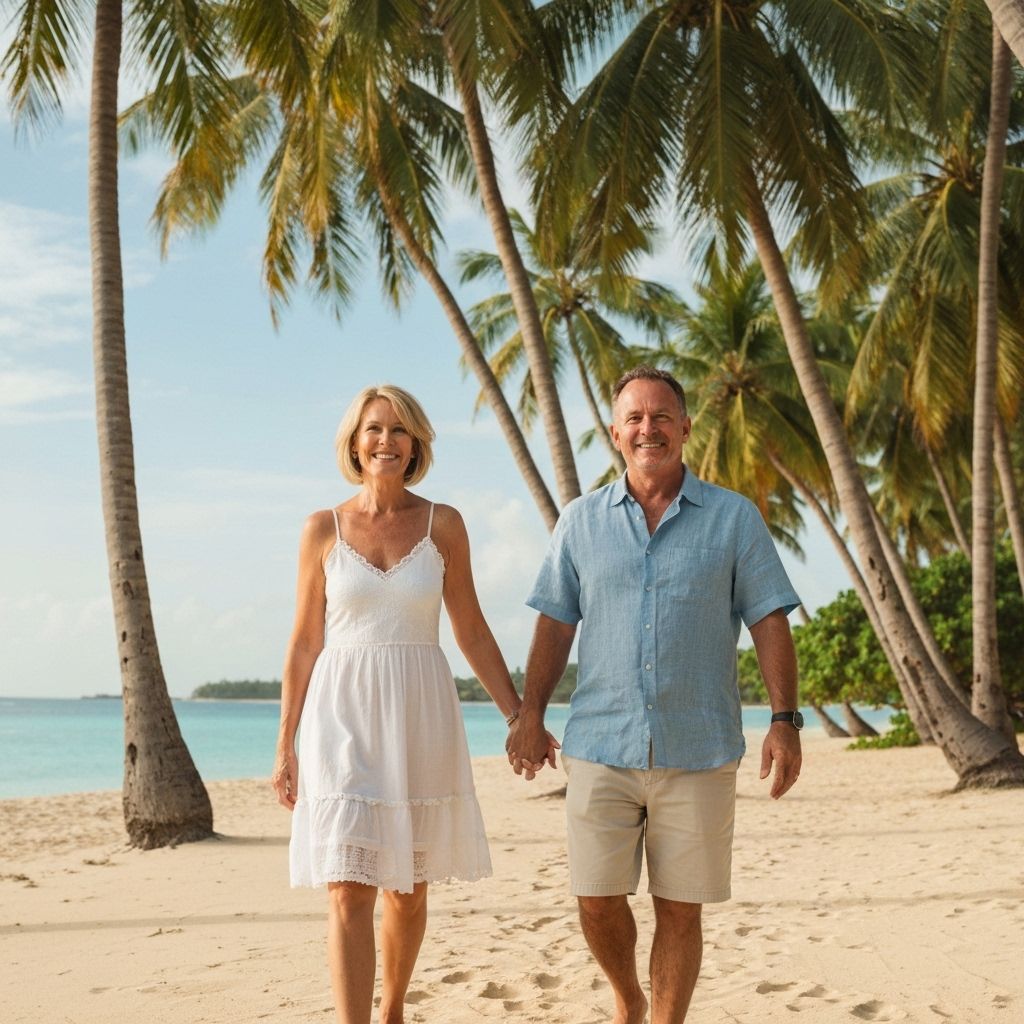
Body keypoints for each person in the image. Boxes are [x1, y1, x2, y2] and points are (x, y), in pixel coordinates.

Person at [507, 366, 802, 1024]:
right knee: (595, 898)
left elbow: (769, 621)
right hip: (601, 745)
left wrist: (784, 720)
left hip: (698, 748)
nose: (649, 428)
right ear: (616, 434)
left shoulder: (733, 519)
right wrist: (530, 714)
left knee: (679, 907)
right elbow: (555, 623)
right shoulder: (581, 523)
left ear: (686, 429)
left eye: (662, 416)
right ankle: (627, 996)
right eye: (635, 418)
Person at [271, 384, 554, 1024]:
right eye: (374, 429)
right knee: (348, 888)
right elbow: (303, 642)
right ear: (354, 441)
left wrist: (519, 716)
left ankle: (393, 1009)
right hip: (339, 718)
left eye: (400, 431)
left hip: (419, 715)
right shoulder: (322, 528)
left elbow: (473, 630)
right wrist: (284, 742)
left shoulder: (443, 524)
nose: (386, 442)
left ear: (417, 444)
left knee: (407, 888)